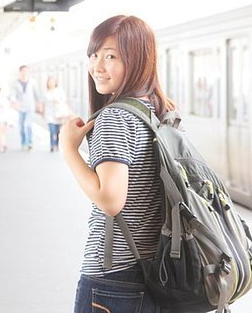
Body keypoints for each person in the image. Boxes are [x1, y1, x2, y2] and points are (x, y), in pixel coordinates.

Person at [59, 15, 175, 313]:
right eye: (94, 55)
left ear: (136, 60)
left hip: (113, 277)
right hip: (153, 269)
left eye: (110, 56)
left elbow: (111, 199)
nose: (97, 66)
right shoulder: (156, 112)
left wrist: (69, 150)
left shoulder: (115, 118)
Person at [9, 65, 41, 151]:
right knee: (21, 127)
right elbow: (12, 95)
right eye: (22, 71)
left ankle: (29, 142)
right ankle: (23, 142)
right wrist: (14, 102)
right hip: (20, 108)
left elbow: (36, 94)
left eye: (26, 71)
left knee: (28, 125)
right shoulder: (15, 83)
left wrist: (39, 104)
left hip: (30, 107)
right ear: (20, 72)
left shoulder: (32, 82)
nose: (24, 73)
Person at [43, 76, 70, 152]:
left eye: (52, 81)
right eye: (50, 82)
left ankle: (56, 144)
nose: (51, 83)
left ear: (55, 82)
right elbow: (44, 103)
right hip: (50, 114)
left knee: (58, 131)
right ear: (47, 83)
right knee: (52, 130)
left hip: (59, 114)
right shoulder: (46, 92)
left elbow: (64, 100)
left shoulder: (60, 90)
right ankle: (52, 145)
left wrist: (58, 101)